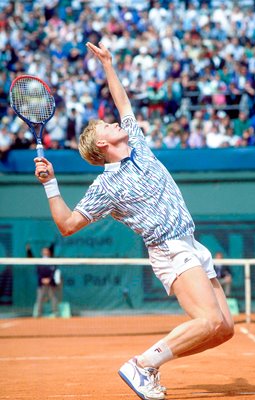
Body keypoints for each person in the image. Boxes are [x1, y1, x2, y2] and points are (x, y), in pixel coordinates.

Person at [34, 42, 234, 400]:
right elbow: (67, 224)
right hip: (170, 250)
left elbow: (123, 102)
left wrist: (108, 64)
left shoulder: (138, 143)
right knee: (207, 321)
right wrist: (51, 184)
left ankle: (150, 365)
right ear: (101, 147)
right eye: (104, 127)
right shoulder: (106, 186)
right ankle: (142, 365)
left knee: (224, 329)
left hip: (191, 243)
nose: (112, 122)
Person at [26, 244, 61, 318]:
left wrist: (49, 279)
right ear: (41, 252)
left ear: (49, 252)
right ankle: (39, 313)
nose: (45, 252)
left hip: (51, 283)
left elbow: (54, 271)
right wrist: (28, 250)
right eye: (44, 251)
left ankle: (56, 313)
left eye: (46, 251)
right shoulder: (39, 261)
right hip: (41, 283)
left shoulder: (53, 261)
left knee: (53, 298)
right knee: (40, 298)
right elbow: (31, 258)